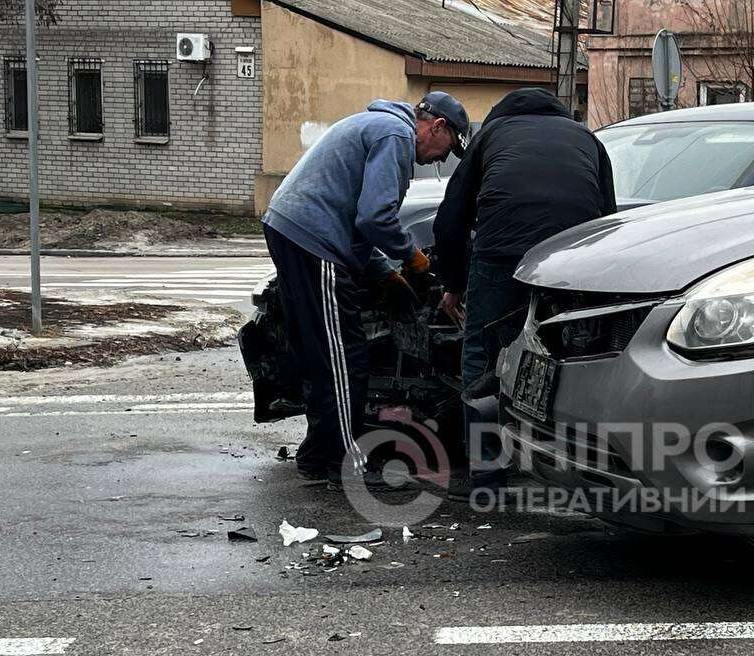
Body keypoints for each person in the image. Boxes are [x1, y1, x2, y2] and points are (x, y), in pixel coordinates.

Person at [263, 91, 471, 487]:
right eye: (446, 150)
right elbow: (375, 218)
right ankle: (342, 461)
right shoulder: (395, 135)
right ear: (437, 126)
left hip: (295, 230)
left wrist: (384, 271)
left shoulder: (376, 125)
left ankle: (317, 455)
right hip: (313, 239)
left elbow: (357, 223)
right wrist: (413, 258)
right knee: (344, 358)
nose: (440, 160)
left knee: (322, 354)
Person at [433, 87, 617, 492]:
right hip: (572, 264)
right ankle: (571, 468)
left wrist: (453, 284)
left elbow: (450, 218)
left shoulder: (491, 135)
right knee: (571, 355)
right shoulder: (587, 138)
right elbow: (609, 216)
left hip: (502, 257)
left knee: (482, 357)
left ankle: (486, 476)